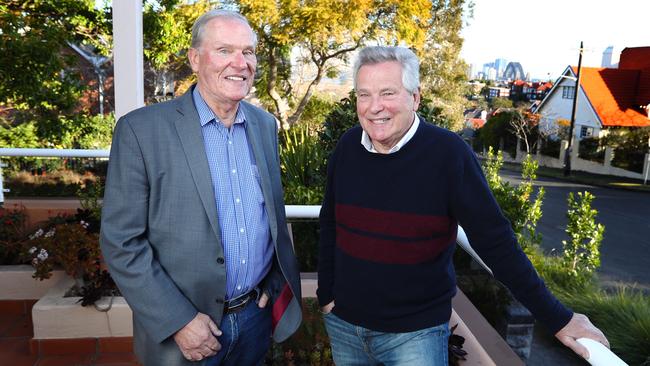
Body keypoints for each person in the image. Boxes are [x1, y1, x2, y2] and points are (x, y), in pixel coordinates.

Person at [317, 46, 608, 365]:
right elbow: (330, 223)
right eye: (364, 94)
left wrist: (558, 318)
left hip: (415, 336)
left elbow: (496, 243)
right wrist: (327, 297)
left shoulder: (449, 155)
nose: (374, 107)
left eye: (387, 93)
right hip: (345, 326)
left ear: (415, 97)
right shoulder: (347, 147)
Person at [100, 9, 302, 366]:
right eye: (224, 50)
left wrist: (271, 284)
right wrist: (179, 321)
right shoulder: (141, 131)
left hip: (254, 319)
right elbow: (121, 241)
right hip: (186, 330)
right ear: (195, 59)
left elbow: (268, 215)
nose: (240, 63)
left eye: (249, 52)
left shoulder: (263, 125)